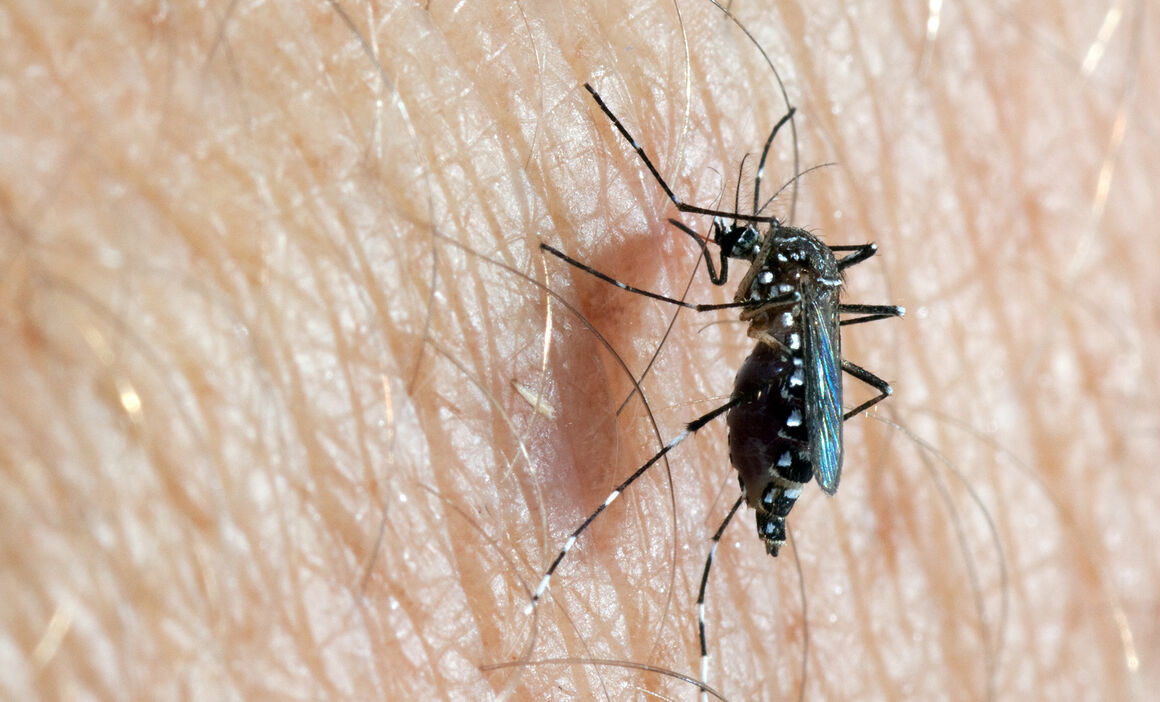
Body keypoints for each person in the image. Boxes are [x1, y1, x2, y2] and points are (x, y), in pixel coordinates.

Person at [3, 1, 1153, 698]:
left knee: (736, 371)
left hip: (785, 401)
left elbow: (743, 304)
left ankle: (727, 510)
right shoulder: (793, 279)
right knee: (784, 359)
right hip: (799, 392)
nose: (736, 248)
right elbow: (778, 281)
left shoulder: (777, 300)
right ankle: (756, 493)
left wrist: (628, 274)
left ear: (777, 263)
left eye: (749, 245)